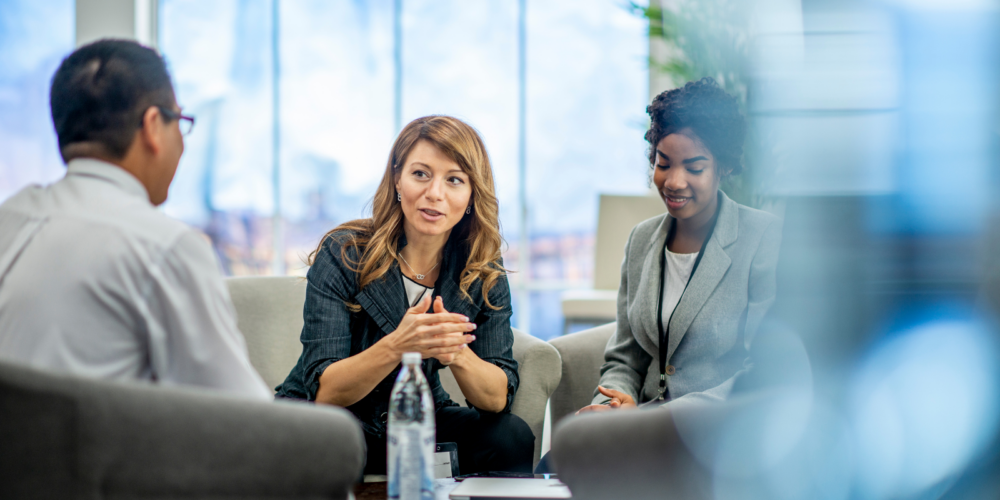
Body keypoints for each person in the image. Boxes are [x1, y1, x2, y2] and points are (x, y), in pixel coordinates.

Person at [0, 40, 270, 400]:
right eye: (181, 121)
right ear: (154, 126)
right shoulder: (164, 247)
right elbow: (246, 419)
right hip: (98, 455)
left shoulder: (11, 217)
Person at [276, 115, 534, 475]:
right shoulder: (345, 251)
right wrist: (399, 345)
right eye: (420, 174)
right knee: (335, 438)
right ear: (397, 178)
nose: (435, 194)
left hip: (416, 417)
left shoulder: (482, 268)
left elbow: (495, 399)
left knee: (510, 437)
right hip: (333, 420)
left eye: (454, 180)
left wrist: (456, 352)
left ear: (472, 194)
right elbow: (326, 390)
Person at [580, 77, 782, 413]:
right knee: (557, 460)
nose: (673, 182)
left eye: (695, 167)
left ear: (724, 166)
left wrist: (659, 418)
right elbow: (625, 359)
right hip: (642, 426)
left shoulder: (762, 238)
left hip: (715, 432)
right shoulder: (641, 240)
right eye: (663, 164)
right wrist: (613, 401)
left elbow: (763, 369)